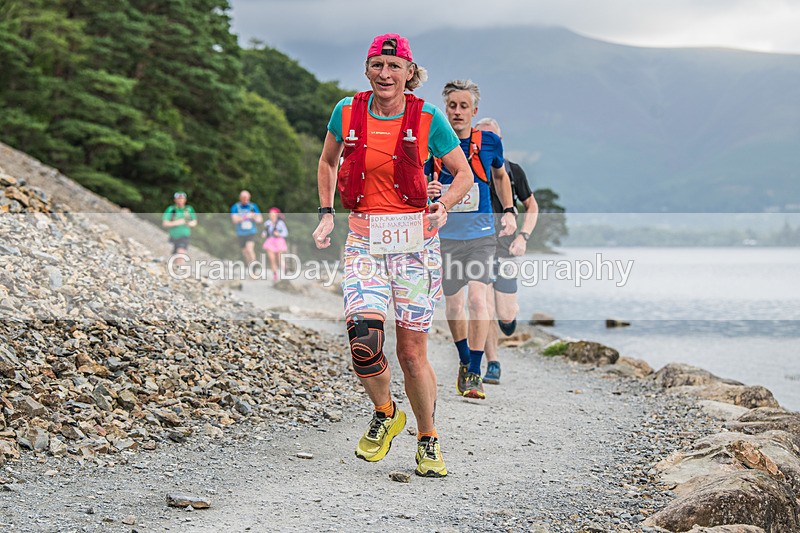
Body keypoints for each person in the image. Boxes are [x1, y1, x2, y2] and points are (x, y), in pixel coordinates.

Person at [312, 34, 472, 478]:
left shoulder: (428, 117)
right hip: (364, 239)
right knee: (363, 341)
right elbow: (327, 162)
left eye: (394, 66)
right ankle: (386, 412)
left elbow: (462, 174)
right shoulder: (347, 111)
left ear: (409, 72)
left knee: (411, 352)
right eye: (378, 65)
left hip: (416, 244)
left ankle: (427, 436)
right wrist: (326, 213)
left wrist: (445, 204)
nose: (386, 74)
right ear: (367, 69)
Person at [426, 80, 517, 401]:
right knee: (454, 304)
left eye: (464, 106)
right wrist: (428, 190)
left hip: (481, 236)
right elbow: (417, 181)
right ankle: (465, 360)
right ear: (444, 108)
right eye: (452, 106)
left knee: (479, 301)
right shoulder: (432, 141)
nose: (458, 112)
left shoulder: (489, 141)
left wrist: (508, 210)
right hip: (446, 237)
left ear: (474, 111)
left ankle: (475, 371)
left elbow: (501, 175)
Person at [475, 117, 539, 385]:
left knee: (505, 313)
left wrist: (523, 237)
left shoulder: (513, 171)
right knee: (485, 306)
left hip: (507, 247)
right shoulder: (467, 169)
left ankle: (510, 318)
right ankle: (493, 363)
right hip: (478, 246)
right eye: (483, 137)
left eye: (494, 139)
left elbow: (532, 207)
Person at [162, 191, 197, 267]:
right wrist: (178, 222)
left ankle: (180, 272)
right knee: (174, 257)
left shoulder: (188, 210)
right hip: (173, 236)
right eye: (179, 199)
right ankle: (175, 272)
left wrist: (188, 223)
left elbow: (194, 222)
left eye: (182, 199)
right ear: (175, 200)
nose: (180, 200)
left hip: (184, 235)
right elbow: (165, 223)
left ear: (185, 200)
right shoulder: (171, 210)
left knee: (181, 254)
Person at [230, 190, 263, 267]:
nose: (245, 199)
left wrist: (254, 216)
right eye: (243, 198)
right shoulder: (235, 207)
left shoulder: (253, 206)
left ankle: (254, 268)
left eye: (247, 198)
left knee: (249, 249)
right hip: (241, 233)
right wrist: (245, 217)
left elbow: (260, 219)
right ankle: (250, 266)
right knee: (245, 252)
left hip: (251, 232)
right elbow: (234, 220)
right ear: (240, 198)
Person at [262, 207, 289, 281]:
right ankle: (275, 274)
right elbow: (266, 231)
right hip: (270, 241)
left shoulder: (280, 223)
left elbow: (285, 233)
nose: (271, 215)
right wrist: (264, 234)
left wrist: (278, 234)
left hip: (279, 241)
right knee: (272, 259)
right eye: (270, 214)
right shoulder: (267, 223)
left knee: (280, 258)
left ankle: (284, 269)